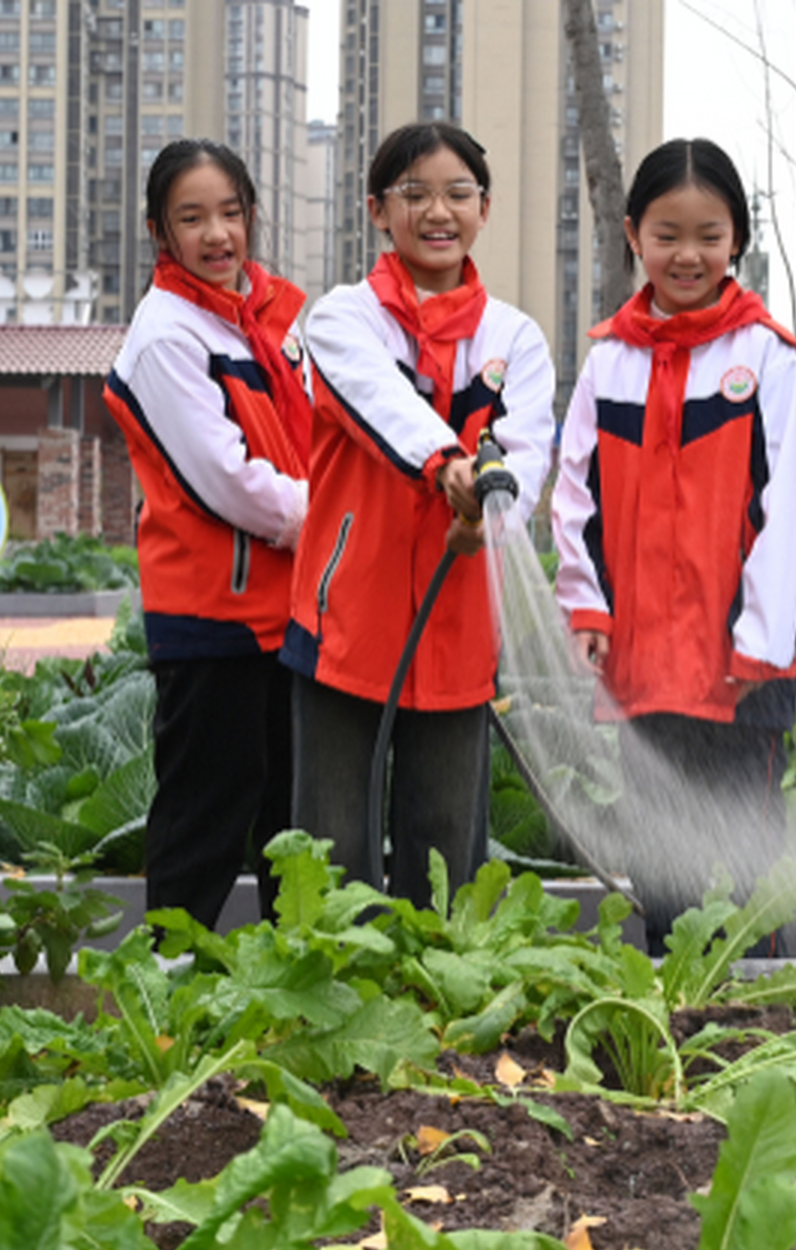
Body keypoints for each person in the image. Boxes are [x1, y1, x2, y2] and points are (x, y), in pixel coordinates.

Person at [553, 138, 796, 951]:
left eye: (708, 234)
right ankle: (672, 1028)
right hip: (641, 667)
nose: (688, 254)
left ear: (735, 238)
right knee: (661, 864)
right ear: (633, 235)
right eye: (667, 234)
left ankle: (755, 1036)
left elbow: (792, 510)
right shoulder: (609, 363)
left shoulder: (766, 356)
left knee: (745, 868)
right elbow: (575, 496)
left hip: (739, 673)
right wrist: (586, 606)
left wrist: (759, 643)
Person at [286, 121, 553, 909]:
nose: (437, 212)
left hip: (460, 627)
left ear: (485, 208)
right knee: (333, 855)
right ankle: (333, 1012)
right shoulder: (342, 320)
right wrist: (449, 468)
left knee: (445, 858)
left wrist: (489, 520)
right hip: (346, 626)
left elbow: (527, 457)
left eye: (457, 194)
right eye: (414, 194)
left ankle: (438, 1020)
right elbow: (380, 405)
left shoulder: (515, 339)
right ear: (377, 210)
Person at [103, 138, 311, 933]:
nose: (216, 234)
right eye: (193, 218)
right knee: (206, 812)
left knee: (289, 824)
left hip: (283, 612)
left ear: (252, 216)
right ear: (161, 232)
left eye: (230, 213)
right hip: (211, 618)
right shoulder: (167, 335)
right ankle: (164, 990)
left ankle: (294, 991)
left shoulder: (267, 324)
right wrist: (329, 523)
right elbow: (227, 482)